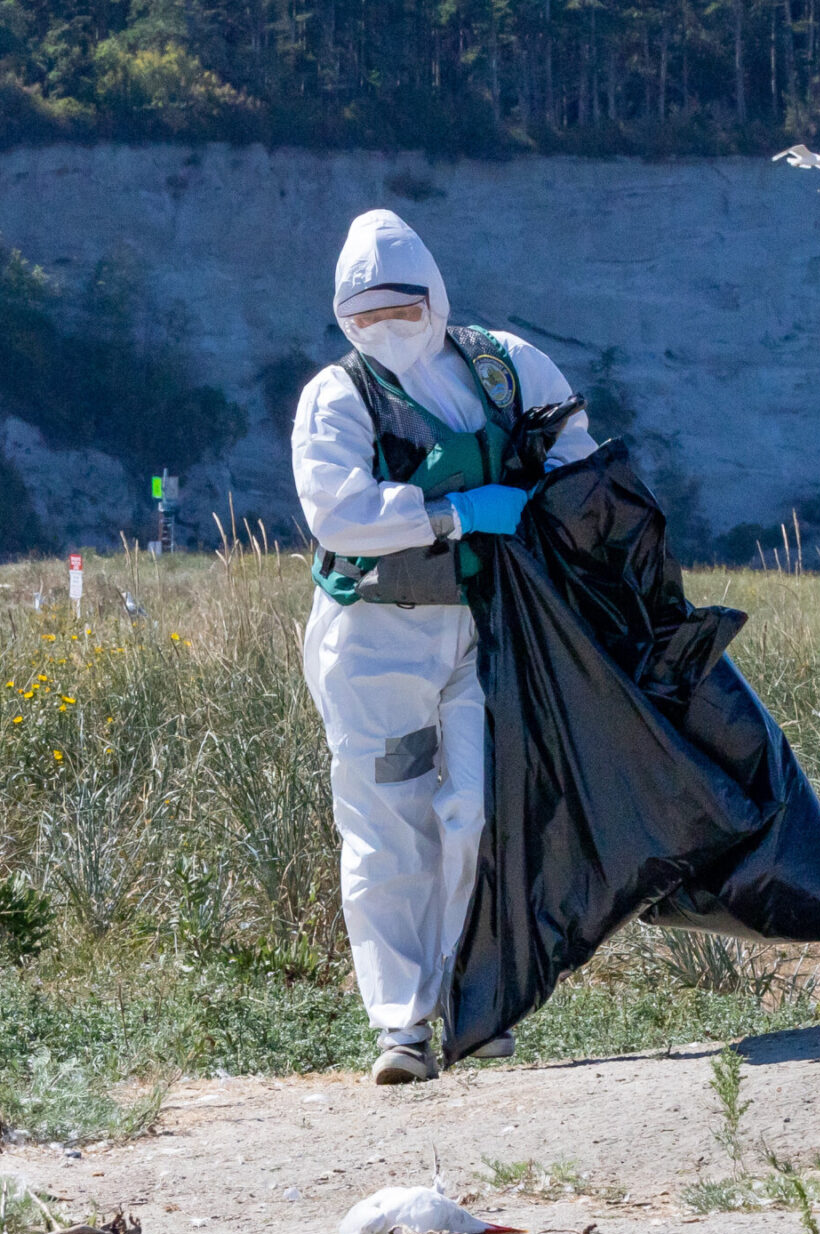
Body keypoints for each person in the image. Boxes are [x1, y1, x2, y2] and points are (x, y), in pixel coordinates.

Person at [291, 209, 597, 1085]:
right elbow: (338, 510)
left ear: (434, 293)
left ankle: (475, 1003)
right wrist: (450, 513)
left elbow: (572, 447)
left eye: (402, 306)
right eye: (366, 314)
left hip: (484, 625)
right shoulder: (337, 394)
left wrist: (545, 502)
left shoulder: (502, 366)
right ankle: (402, 1027)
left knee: (479, 811)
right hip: (373, 640)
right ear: (344, 316)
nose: (387, 327)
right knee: (387, 829)